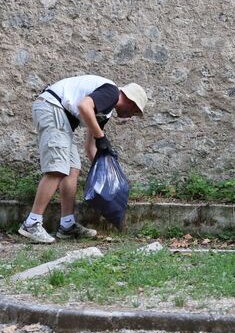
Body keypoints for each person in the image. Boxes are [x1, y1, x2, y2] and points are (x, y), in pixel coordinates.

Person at [18, 75, 147, 243]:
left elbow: (90, 147)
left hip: (62, 118)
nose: (131, 116)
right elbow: (83, 106)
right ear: (131, 102)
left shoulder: (105, 112)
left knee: (73, 168)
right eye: (135, 112)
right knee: (57, 168)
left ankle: (67, 225)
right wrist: (101, 137)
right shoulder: (112, 92)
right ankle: (31, 223)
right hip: (52, 107)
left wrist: (106, 170)